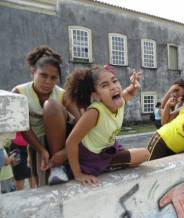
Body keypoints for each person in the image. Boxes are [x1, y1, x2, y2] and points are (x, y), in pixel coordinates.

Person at [65, 65, 149, 184]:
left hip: (110, 148)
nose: (113, 87)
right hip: (93, 157)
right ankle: (104, 166)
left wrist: (134, 85)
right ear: (96, 96)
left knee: (145, 155)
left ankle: (113, 163)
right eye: (105, 85)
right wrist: (78, 174)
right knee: (144, 154)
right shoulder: (95, 112)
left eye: (114, 81)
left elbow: (129, 93)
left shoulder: (119, 100)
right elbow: (71, 142)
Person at [12, 45, 80, 186]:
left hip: (64, 142)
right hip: (37, 143)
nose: (48, 82)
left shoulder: (62, 94)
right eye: (43, 75)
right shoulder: (19, 92)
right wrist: (42, 150)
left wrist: (66, 151)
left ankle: (58, 167)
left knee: (51, 106)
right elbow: (25, 128)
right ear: (33, 72)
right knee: (44, 186)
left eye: (53, 78)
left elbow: (81, 122)